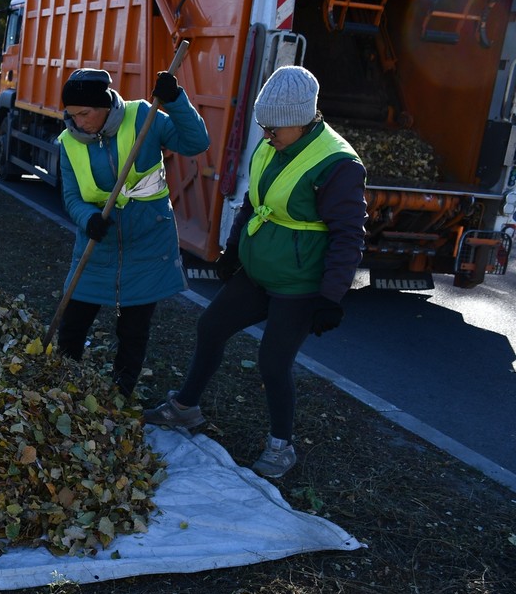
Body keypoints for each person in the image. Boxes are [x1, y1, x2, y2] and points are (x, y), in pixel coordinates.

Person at [143, 65, 367, 478]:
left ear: (303, 119)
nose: (267, 134)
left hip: (299, 285)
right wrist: (232, 250)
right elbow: (253, 200)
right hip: (259, 271)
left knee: (272, 362)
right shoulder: (272, 144)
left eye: (275, 128)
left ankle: (281, 447)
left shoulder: (338, 164)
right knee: (211, 326)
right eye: (264, 126)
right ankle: (185, 408)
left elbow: (348, 236)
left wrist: (330, 298)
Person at [55, 67, 211, 398]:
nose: (78, 122)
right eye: (72, 115)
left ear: (105, 105)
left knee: (133, 331)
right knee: (72, 325)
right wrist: (89, 218)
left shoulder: (143, 115)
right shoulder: (68, 142)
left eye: (85, 113)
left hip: (148, 244)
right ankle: (60, 390)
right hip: (97, 245)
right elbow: (71, 196)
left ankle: (119, 395)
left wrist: (176, 100)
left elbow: (196, 142)